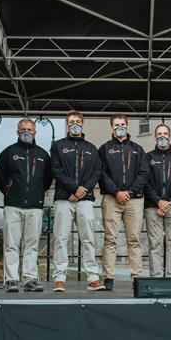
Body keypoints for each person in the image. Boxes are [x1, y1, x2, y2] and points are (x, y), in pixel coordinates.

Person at [0, 118, 53, 293]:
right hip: (13, 204)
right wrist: (10, 191)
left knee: (31, 244)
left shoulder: (43, 155)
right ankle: (11, 279)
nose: (26, 132)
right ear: (17, 132)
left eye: (29, 129)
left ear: (35, 132)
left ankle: (30, 279)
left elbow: (47, 179)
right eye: (23, 129)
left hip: (35, 205)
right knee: (11, 243)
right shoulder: (8, 152)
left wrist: (38, 193)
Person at [50, 111, 103, 292]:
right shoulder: (58, 146)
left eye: (78, 121)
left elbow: (96, 172)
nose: (74, 124)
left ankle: (93, 278)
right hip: (63, 199)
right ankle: (59, 278)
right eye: (71, 121)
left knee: (88, 239)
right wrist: (73, 188)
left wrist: (82, 191)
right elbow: (56, 170)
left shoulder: (91, 148)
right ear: (67, 125)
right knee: (61, 238)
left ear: (82, 124)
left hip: (85, 200)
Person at [98, 114, 149, 290]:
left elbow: (144, 173)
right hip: (111, 199)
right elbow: (101, 173)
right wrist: (116, 192)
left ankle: (136, 277)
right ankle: (108, 278)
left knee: (134, 239)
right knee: (110, 238)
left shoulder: (138, 149)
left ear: (127, 126)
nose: (119, 127)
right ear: (111, 128)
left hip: (134, 200)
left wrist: (130, 191)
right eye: (116, 124)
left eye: (122, 124)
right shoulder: (104, 149)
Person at [144, 124, 171, 278]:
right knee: (154, 243)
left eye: (165, 133)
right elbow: (145, 182)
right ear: (155, 137)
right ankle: (155, 277)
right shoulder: (147, 158)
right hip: (152, 207)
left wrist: (169, 202)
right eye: (159, 134)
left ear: (170, 136)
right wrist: (158, 201)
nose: (162, 136)